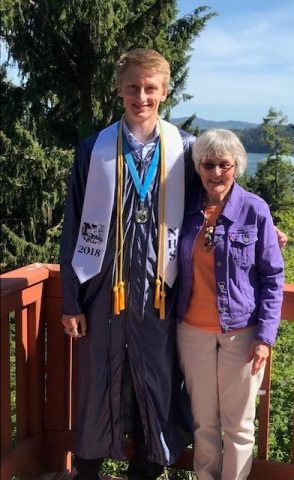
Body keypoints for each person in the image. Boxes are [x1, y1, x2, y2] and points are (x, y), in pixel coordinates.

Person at [60, 48, 196, 480]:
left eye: (150, 87)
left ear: (165, 90)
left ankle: (148, 465)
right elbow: (74, 224)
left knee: (156, 374)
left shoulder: (185, 150)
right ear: (119, 89)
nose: (142, 95)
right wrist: (70, 300)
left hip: (161, 287)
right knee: (99, 375)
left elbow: (221, 194)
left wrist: (265, 226)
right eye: (133, 86)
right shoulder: (93, 149)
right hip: (103, 285)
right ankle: (89, 466)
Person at [176, 129, 284, 480]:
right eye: (208, 164)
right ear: (198, 167)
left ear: (236, 167)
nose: (216, 172)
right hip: (192, 333)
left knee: (238, 426)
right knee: (204, 423)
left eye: (225, 164)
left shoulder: (254, 209)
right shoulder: (183, 209)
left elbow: (272, 278)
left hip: (243, 334)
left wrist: (265, 337)